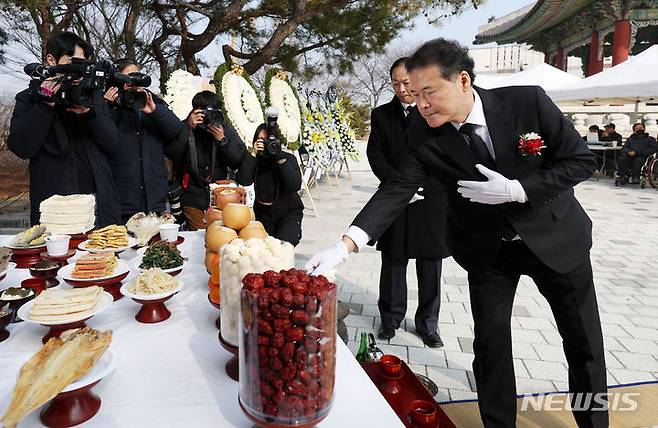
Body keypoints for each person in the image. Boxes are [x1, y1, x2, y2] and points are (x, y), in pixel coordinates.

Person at [307, 38, 607, 428]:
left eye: (429, 92)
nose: (421, 104)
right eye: (414, 95)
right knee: (490, 347)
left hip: (554, 238)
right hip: (488, 250)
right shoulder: (422, 129)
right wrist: (344, 246)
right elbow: (398, 187)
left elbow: (582, 161)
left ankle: (594, 424)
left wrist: (519, 190)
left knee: (583, 343)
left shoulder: (526, 102)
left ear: (463, 80)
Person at [365, 57, 449, 346]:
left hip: (430, 200)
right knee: (393, 262)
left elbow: (446, 154)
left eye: (406, 82)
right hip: (395, 199)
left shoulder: (434, 111)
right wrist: (398, 186)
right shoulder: (381, 115)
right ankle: (390, 318)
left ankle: (428, 324)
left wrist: (423, 185)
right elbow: (375, 155)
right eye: (396, 83)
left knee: (430, 267)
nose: (402, 89)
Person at [7, 31, 121, 226]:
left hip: (100, 207)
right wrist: (45, 103)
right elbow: (21, 147)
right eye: (73, 62)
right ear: (52, 60)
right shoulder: (29, 98)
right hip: (57, 214)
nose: (78, 70)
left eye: (83, 64)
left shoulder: (91, 98)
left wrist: (88, 113)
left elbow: (114, 145)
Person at [104, 59, 187, 222]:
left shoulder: (153, 103)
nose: (132, 82)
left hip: (154, 197)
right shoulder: (109, 106)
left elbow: (176, 129)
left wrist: (153, 110)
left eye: (137, 76)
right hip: (122, 198)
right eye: (127, 77)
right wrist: (107, 104)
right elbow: (101, 135)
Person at [171, 90, 253, 230]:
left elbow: (237, 160)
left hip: (220, 197)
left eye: (212, 112)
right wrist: (188, 129)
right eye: (203, 112)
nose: (208, 117)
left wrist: (223, 141)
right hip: (192, 197)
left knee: (220, 235)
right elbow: (173, 154)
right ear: (195, 111)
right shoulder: (186, 126)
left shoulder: (223, 128)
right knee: (200, 237)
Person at [236, 124, 304, 246]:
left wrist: (278, 158)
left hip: (288, 213)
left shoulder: (287, 158)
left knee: (282, 247)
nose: (265, 144)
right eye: (261, 140)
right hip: (264, 215)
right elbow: (244, 180)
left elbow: (294, 185)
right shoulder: (255, 160)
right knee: (264, 250)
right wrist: (253, 154)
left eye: (268, 141)